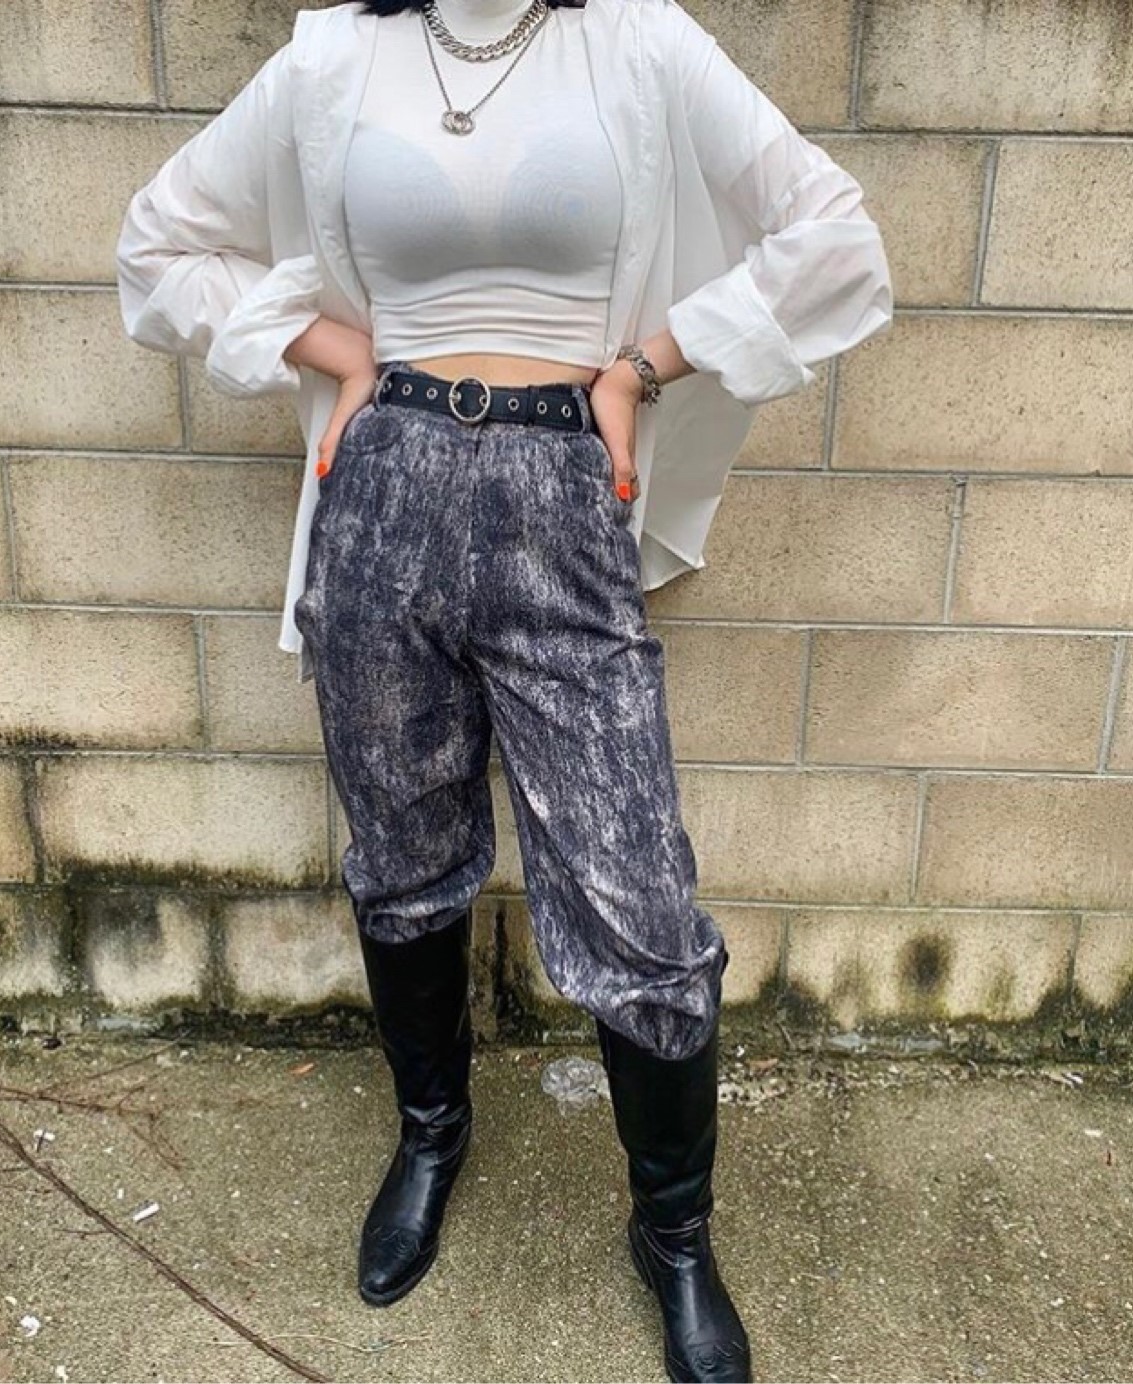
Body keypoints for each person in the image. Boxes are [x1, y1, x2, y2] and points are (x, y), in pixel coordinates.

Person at [116, 2, 892, 1379]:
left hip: (560, 491)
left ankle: (673, 1234)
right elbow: (159, 243)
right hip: (386, 490)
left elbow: (831, 233)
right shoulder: (336, 56)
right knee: (403, 857)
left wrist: (642, 369)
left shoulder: (637, 41)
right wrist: (341, 355)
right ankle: (432, 1134)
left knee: (639, 901)